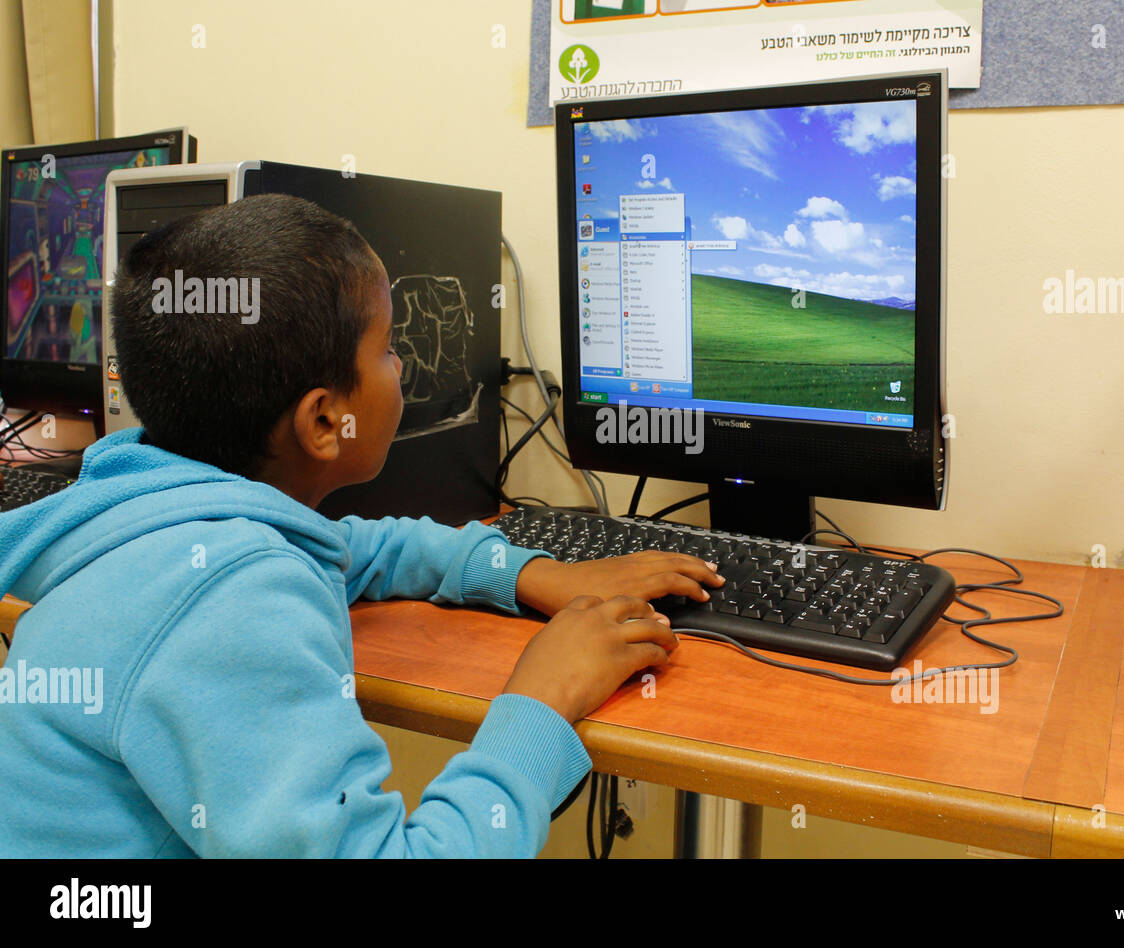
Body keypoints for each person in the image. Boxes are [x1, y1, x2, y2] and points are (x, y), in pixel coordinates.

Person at [0, 194, 723, 857]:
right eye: (386, 348)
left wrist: (533, 573)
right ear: (323, 420)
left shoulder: (159, 517)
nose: (403, 365)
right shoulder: (229, 602)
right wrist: (542, 700)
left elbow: (353, 552)